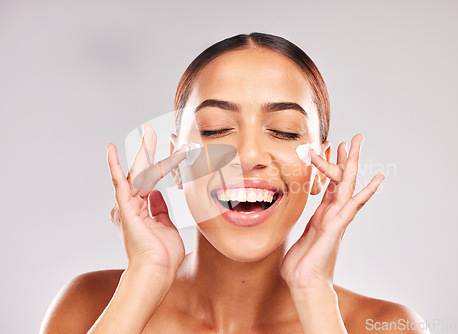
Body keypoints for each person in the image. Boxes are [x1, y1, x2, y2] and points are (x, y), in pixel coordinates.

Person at [41, 32, 428, 333]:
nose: (247, 156)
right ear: (176, 164)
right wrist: (144, 280)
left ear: (319, 169)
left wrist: (313, 293)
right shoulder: (89, 305)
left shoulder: (385, 326)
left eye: (284, 132)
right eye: (215, 130)